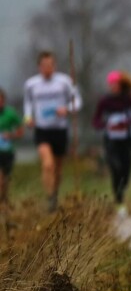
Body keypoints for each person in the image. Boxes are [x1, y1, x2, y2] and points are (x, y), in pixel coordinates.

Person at [23, 51, 81, 211]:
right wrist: (28, 118)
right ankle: (49, 198)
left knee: (57, 168)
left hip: (60, 129)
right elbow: (27, 103)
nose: (47, 68)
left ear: (54, 66)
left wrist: (67, 109)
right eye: (44, 65)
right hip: (42, 129)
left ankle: (54, 194)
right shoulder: (31, 84)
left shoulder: (65, 81)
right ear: (39, 66)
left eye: (50, 65)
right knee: (48, 165)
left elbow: (77, 101)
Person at [92, 70, 131, 218]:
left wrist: (128, 122)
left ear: (120, 85)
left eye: (115, 84)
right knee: (115, 168)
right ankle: (119, 201)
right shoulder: (105, 101)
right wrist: (104, 124)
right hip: (111, 141)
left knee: (125, 172)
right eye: (111, 84)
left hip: (126, 141)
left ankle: (122, 189)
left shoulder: (129, 100)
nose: (113, 86)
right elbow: (96, 120)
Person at [0, 88, 24, 207]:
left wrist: (11, 135)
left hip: (7, 151)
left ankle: (4, 199)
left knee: (5, 179)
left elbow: (20, 131)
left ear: (3, 100)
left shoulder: (10, 114)